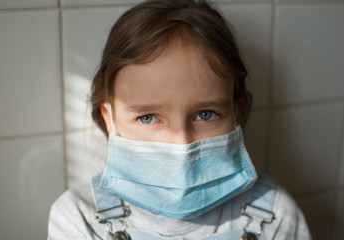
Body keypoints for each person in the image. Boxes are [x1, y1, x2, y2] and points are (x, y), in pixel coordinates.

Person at [48, 0, 311, 239]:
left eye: (205, 114)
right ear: (110, 119)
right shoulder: (78, 219)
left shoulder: (277, 215)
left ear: (237, 112)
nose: (182, 144)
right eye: (148, 117)